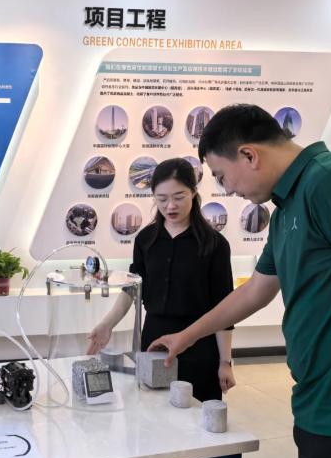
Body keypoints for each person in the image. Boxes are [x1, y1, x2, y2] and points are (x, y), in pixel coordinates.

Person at [148, 104, 331, 458]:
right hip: (317, 400)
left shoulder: (330, 180)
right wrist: (187, 336)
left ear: (248, 154)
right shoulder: (286, 210)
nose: (228, 189)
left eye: (222, 176)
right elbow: (256, 291)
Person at [87, 157, 236, 401]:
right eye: (162, 199)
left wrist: (225, 362)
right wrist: (107, 324)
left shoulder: (214, 244)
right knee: (152, 410)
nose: (170, 206)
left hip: (199, 343)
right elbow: (133, 289)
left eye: (179, 197)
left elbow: (224, 307)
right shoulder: (145, 240)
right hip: (154, 340)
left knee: (196, 414)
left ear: (194, 192)